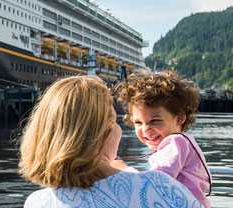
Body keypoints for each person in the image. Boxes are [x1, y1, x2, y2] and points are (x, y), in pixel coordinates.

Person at [19, 76, 202, 208]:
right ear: (104, 131)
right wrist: (126, 171)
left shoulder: (37, 202)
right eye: (115, 121)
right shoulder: (159, 188)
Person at [114, 71, 211, 208]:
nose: (146, 129)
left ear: (179, 119)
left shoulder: (176, 143)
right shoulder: (184, 142)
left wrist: (123, 170)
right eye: (138, 123)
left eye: (154, 121)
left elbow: (155, 183)